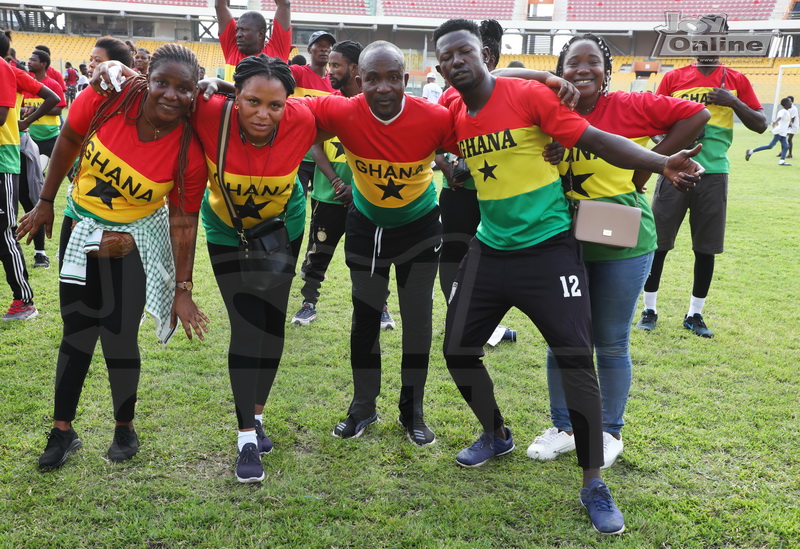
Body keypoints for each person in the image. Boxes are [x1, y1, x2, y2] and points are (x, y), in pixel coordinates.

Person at [433, 19, 704, 535]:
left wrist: (659, 161)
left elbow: (597, 138)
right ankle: (495, 433)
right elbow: (444, 142)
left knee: (580, 357)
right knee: (456, 348)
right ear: (441, 67)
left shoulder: (528, 97)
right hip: (489, 251)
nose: (456, 61)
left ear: (483, 55)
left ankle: (592, 482)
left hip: (551, 252)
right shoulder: (452, 109)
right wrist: (454, 163)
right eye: (447, 57)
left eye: (465, 51)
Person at [498, 34, 708, 471]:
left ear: (607, 71)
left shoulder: (629, 106)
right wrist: (543, 81)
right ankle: (564, 427)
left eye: (593, 62)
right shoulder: (545, 103)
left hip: (619, 235)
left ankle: (609, 432)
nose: (583, 70)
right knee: (563, 339)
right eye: (572, 63)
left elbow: (697, 112)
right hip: (561, 238)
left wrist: (650, 162)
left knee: (610, 341)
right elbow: (495, 77)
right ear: (559, 69)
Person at [16, 44, 210, 470]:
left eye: (184, 88)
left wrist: (183, 288)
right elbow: (68, 138)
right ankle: (62, 431)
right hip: (79, 226)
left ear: (196, 94)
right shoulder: (110, 96)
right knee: (77, 332)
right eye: (162, 82)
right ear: (147, 78)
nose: (171, 95)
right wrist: (46, 202)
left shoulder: (188, 153)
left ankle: (124, 427)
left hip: (134, 242)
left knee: (120, 337)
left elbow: (182, 221)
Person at [301, 41, 458, 446]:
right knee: (366, 316)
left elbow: (486, 127)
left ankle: (413, 411)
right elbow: (282, 104)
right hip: (366, 226)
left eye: (393, 78)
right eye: (373, 78)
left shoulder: (436, 117)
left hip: (420, 228)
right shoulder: (341, 110)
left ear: (407, 80)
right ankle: (363, 407)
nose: (383, 87)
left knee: (418, 320)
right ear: (359, 80)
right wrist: (222, 86)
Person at [636, 14, 767, 338]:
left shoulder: (736, 80)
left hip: (714, 174)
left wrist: (732, 100)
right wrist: (669, 152)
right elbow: (652, 125)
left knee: (705, 248)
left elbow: (761, 124)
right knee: (658, 244)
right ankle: (649, 309)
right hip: (674, 171)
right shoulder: (673, 78)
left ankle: (695, 315)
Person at [0, 30, 59, 321]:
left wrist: (24, 122)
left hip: (7, 155)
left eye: (36, 58)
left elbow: (54, 98)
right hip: (13, 152)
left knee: (7, 227)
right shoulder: (12, 71)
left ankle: (25, 298)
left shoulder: (5, 69)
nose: (30, 60)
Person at [290, 31, 337, 195]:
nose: (325, 50)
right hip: (298, 156)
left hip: (325, 158)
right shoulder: (297, 72)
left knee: (320, 204)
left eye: (328, 47)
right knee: (297, 202)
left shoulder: (334, 81)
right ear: (310, 49)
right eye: (320, 46)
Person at [215, 0, 291, 81]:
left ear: (260, 34)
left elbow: (284, 4)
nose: (238, 34)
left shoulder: (277, 50)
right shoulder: (232, 48)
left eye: (244, 30)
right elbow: (220, 6)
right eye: (237, 30)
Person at [23, 49, 66, 158]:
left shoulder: (53, 85)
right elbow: (21, 108)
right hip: (30, 137)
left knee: (60, 169)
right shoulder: (26, 84)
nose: (29, 62)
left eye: (33, 60)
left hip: (51, 137)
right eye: (29, 59)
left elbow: (58, 110)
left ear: (43, 64)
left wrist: (35, 109)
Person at [746, 97, 792, 165]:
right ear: (785, 104)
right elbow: (780, 117)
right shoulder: (783, 111)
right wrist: (775, 122)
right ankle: (751, 151)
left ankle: (782, 161)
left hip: (783, 133)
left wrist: (789, 125)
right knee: (770, 146)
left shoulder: (787, 112)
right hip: (779, 132)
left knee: (786, 146)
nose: (791, 103)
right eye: (789, 102)